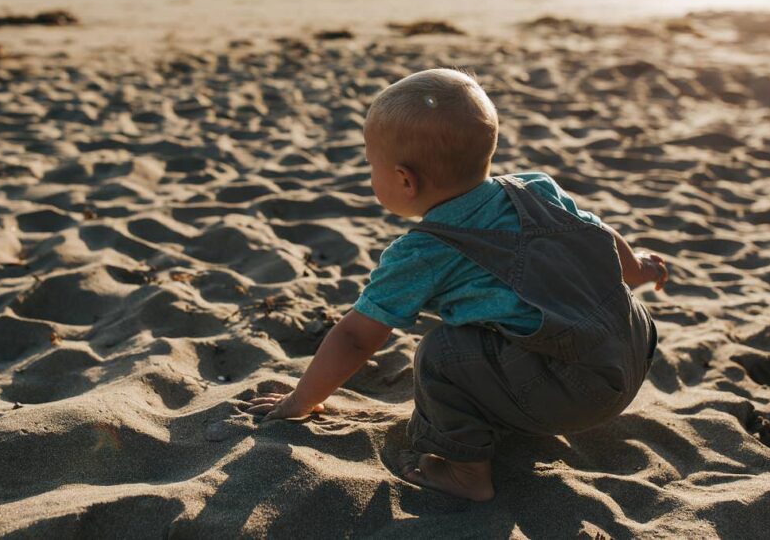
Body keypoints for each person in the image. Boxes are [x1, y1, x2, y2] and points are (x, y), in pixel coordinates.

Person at [245, 68, 667, 501]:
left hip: (577, 392)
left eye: (371, 164)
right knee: (496, 330)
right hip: (632, 350)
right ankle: (509, 410)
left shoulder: (423, 251)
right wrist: (640, 270)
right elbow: (601, 237)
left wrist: (301, 400)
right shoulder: (535, 186)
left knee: (443, 353)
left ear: (405, 179)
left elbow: (355, 337)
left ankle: (465, 475)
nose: (369, 174)